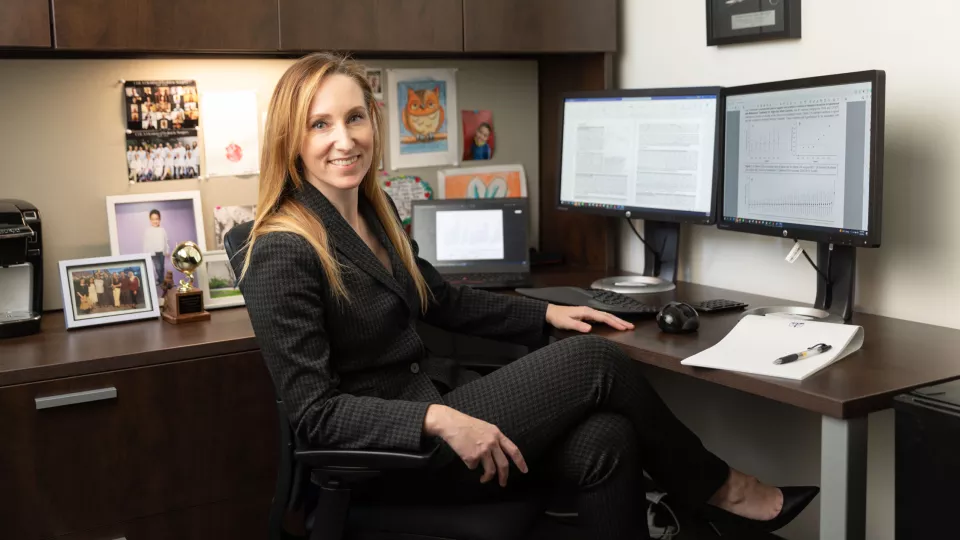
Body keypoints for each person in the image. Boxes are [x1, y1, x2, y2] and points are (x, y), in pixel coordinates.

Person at [238, 53, 817, 539]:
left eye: (355, 118)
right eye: (321, 125)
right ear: (292, 137)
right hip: (399, 454)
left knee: (609, 441)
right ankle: (722, 489)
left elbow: (443, 302)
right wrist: (438, 420)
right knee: (596, 362)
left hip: (443, 408)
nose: (345, 139)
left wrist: (547, 313)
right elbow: (316, 417)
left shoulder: (375, 210)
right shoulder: (282, 250)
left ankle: (709, 494)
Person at [142, 209, 169, 289]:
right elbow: (146, 243)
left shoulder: (162, 230)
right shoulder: (148, 231)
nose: (155, 221)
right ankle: (162, 282)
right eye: (153, 219)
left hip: (161, 251)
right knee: (158, 267)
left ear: (159, 220)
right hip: (153, 252)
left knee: (162, 267)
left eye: (157, 219)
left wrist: (167, 250)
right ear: (150, 220)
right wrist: (145, 254)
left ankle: (160, 279)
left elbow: (166, 240)